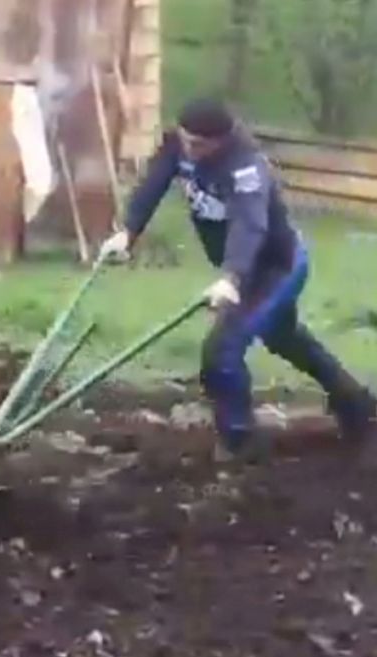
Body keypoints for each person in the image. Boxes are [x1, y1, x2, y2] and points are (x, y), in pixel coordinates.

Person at [100, 97, 377, 463]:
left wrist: (232, 277)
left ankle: (240, 442)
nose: (189, 149)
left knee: (222, 351)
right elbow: (154, 181)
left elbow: (250, 225)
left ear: (221, 140)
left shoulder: (246, 166)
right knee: (285, 339)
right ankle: (357, 405)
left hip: (276, 267)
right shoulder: (179, 145)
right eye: (186, 140)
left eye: (198, 144)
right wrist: (128, 232)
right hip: (244, 272)